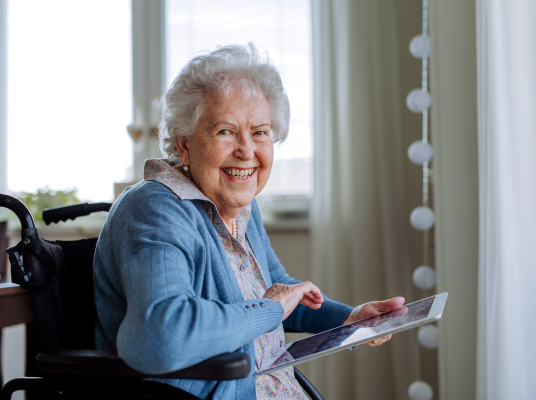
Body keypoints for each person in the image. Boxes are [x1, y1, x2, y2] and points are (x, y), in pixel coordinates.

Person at [94, 43, 404, 400]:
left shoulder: (240, 204)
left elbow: (272, 287)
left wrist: (348, 319)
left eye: (260, 132)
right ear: (183, 145)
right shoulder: (156, 208)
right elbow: (163, 335)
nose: (247, 150)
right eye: (225, 131)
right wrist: (270, 308)